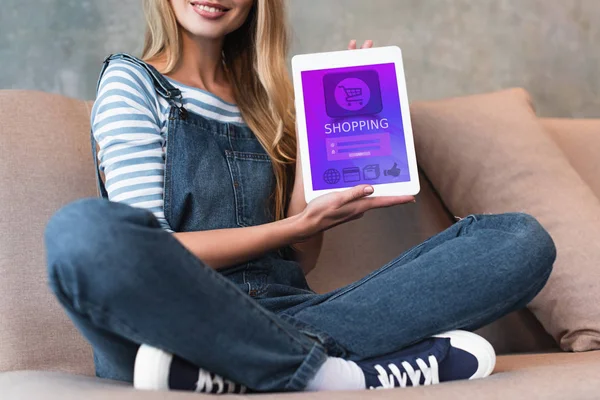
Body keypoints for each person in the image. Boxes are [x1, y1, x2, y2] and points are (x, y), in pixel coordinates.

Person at [44, 0, 556, 394]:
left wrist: (319, 143)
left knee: (519, 240)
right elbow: (150, 251)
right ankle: (344, 376)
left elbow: (298, 261)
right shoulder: (132, 82)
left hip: (287, 312)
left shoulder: (268, 102)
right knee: (81, 232)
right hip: (172, 319)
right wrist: (294, 227)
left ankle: (232, 370)